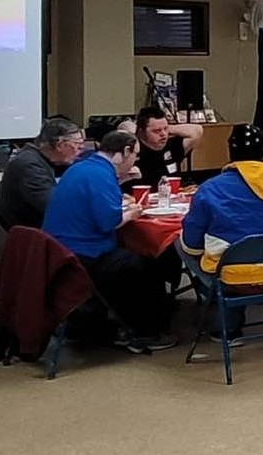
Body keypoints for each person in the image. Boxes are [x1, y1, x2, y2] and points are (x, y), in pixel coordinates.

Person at [42, 130, 177, 353]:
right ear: (125, 152)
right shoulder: (100, 176)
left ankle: (114, 321)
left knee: (132, 256)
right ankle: (145, 333)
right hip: (81, 257)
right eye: (135, 155)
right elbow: (109, 222)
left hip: (59, 251)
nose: (135, 161)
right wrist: (132, 214)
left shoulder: (85, 168)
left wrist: (121, 183)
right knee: (147, 264)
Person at [179, 124, 263, 340]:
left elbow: (191, 244)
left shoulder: (211, 188)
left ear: (230, 152)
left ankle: (225, 322)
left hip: (231, 278)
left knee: (180, 242)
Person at [0, 119, 85, 228]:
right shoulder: (29, 165)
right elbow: (55, 207)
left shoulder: (42, 159)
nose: (82, 148)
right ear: (60, 145)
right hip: (27, 236)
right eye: (77, 143)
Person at [122, 106, 204, 187]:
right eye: (157, 131)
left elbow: (197, 131)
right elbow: (124, 126)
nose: (163, 134)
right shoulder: (133, 150)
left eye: (165, 129)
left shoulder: (172, 145)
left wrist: (165, 128)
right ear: (141, 132)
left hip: (171, 197)